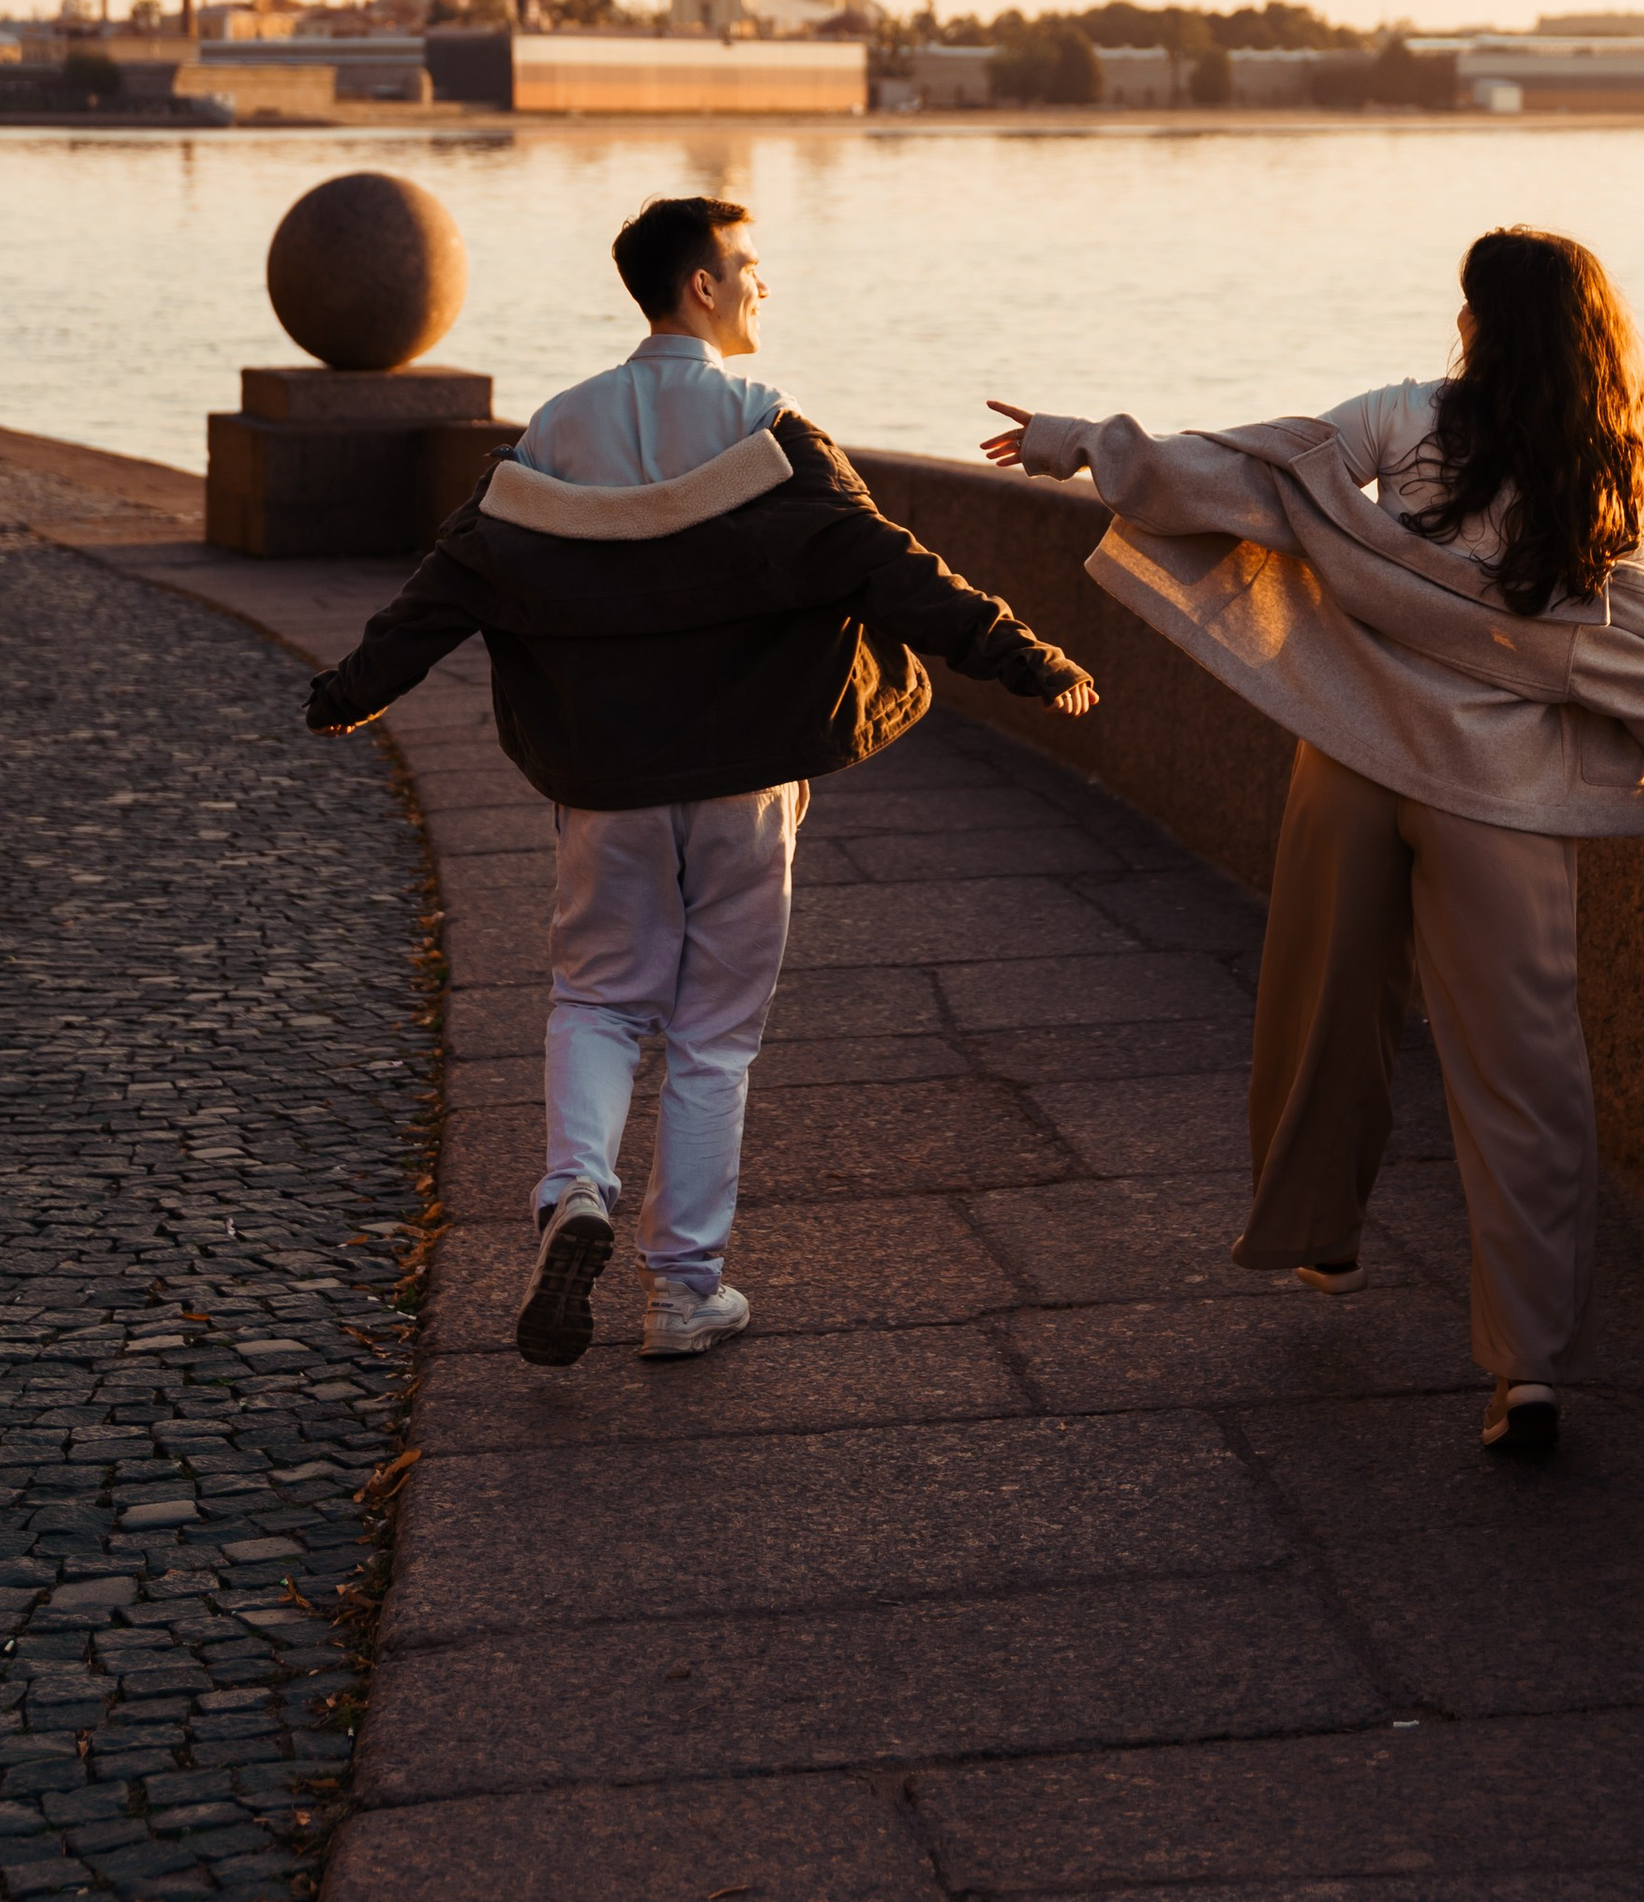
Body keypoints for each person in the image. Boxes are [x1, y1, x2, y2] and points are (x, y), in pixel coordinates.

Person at [982, 222, 1644, 1455]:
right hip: (1503, 806)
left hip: (1358, 764)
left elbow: (1255, 481)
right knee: (1522, 1078)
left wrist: (1086, 447)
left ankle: (1319, 1232)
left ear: (1478, 321)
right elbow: (1634, 658)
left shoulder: (1405, 417)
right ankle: (1524, 1368)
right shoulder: (1602, 463)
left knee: (1322, 1005)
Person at [310, 194, 1095, 1367]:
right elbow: (893, 569)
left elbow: (446, 587)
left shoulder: (554, 435)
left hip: (606, 780)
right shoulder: (768, 430)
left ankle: (575, 1191)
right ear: (701, 288)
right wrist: (1027, 660)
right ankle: (683, 1293)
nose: (763, 285)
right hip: (745, 781)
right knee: (714, 1037)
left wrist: (353, 690)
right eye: (750, 267)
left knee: (596, 999)